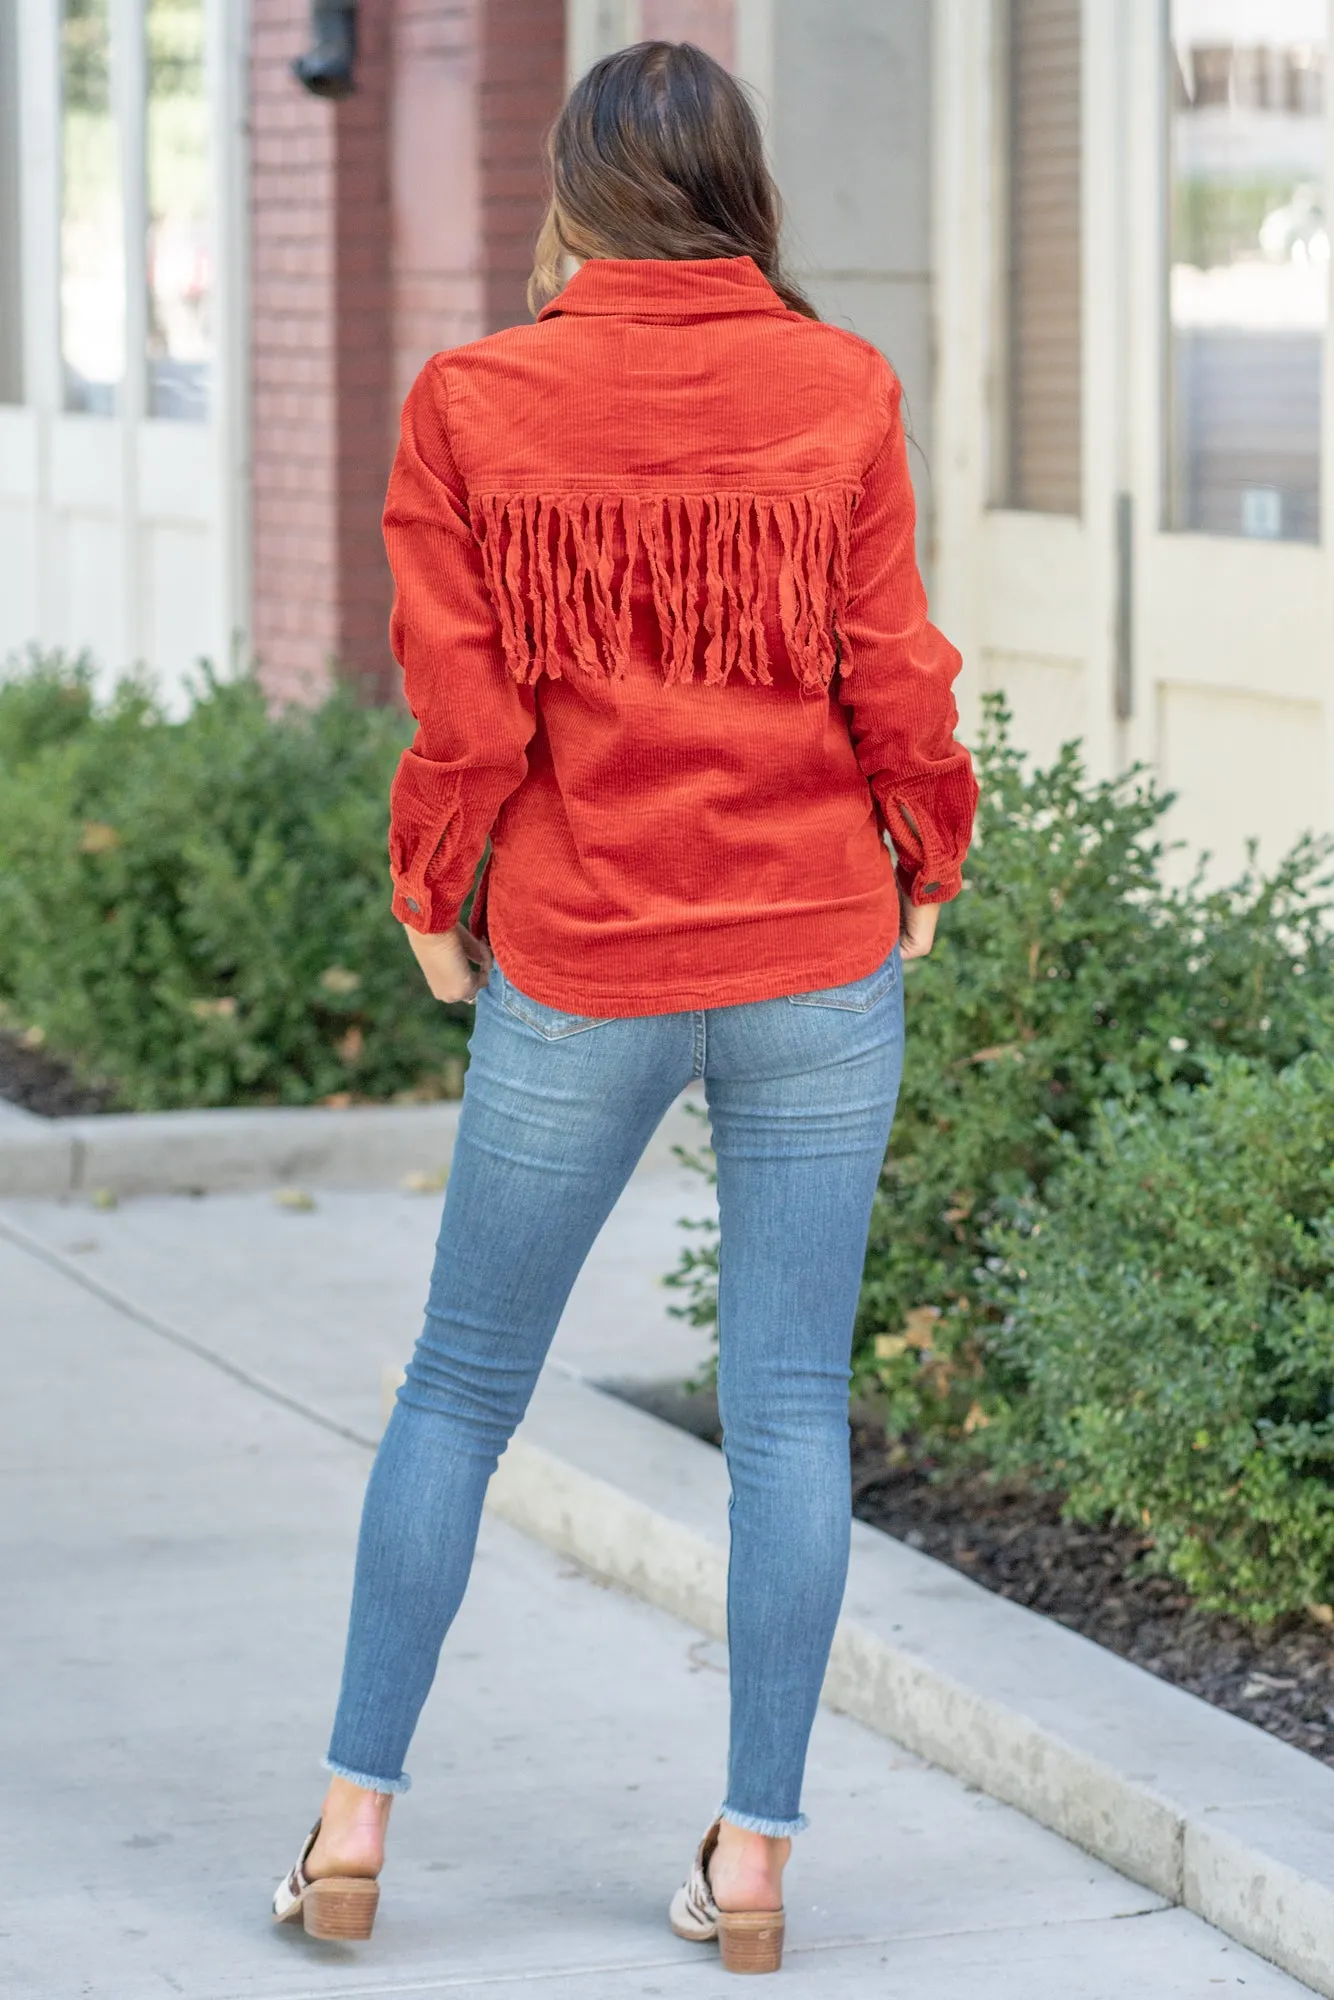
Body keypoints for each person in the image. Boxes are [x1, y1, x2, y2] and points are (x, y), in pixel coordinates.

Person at [272, 38, 976, 1977]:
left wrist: (435, 892)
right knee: (784, 1417)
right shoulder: (840, 387)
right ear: (741, 190)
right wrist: (925, 857)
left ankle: (350, 1830)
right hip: (818, 951)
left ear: (574, 192)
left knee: (457, 1386)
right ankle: (751, 1864)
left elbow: (465, 714)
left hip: (584, 956)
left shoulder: (474, 401)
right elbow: (894, 671)